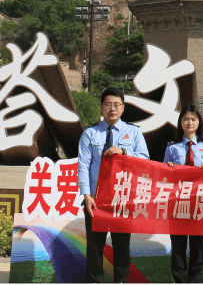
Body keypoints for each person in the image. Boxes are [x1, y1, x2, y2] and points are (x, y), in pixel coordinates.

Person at [78, 87, 149, 283]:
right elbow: (83, 166)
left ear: (123, 108)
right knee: (94, 248)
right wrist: (86, 195)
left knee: (121, 247)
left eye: (117, 105)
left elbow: (145, 159)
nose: (112, 109)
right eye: (108, 104)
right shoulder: (90, 133)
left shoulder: (133, 132)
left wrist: (124, 153)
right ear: (101, 107)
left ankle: (120, 281)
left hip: (122, 200)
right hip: (95, 200)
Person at [163, 104, 203, 283]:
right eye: (186, 119)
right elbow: (164, 177)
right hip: (177, 203)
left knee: (198, 247)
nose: (189, 122)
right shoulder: (172, 148)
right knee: (178, 246)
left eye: (193, 119)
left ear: (199, 123)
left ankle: (194, 281)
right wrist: (168, 169)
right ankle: (179, 281)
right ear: (181, 123)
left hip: (200, 203)